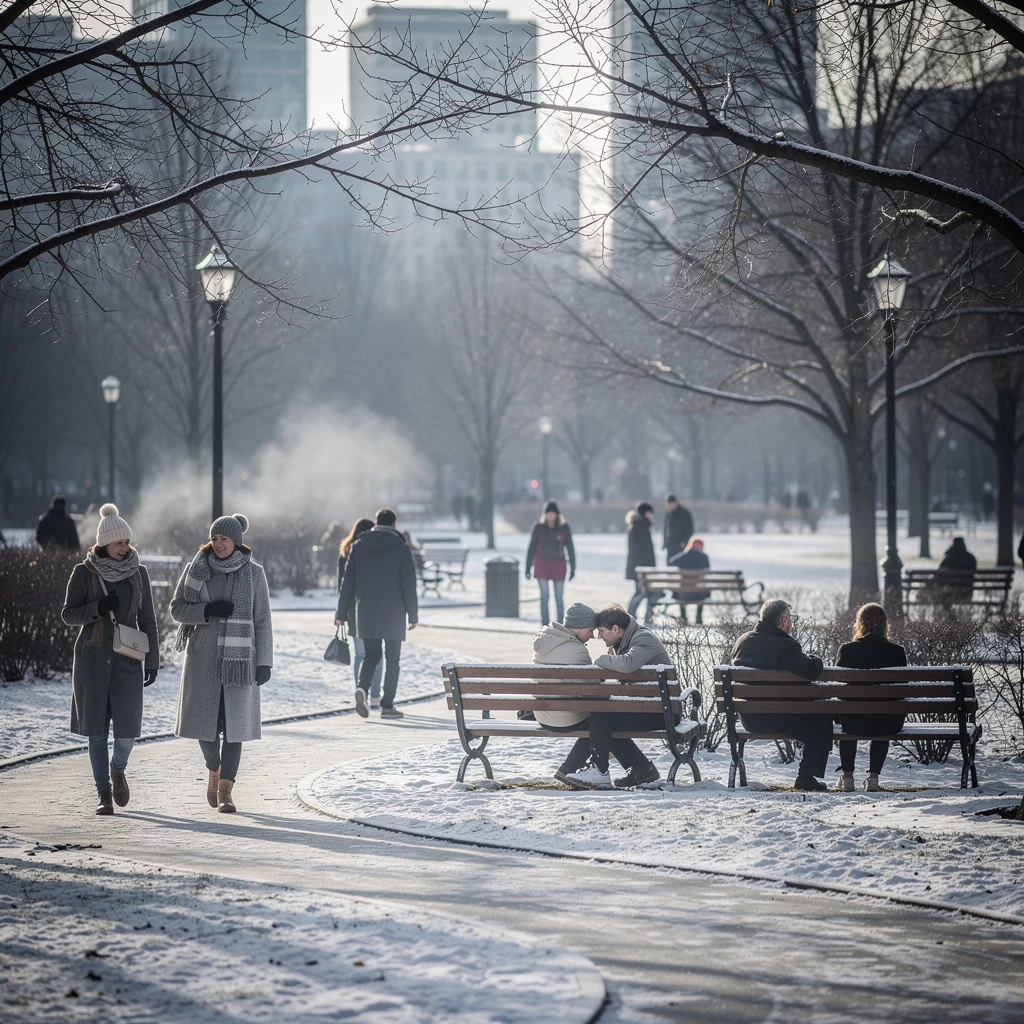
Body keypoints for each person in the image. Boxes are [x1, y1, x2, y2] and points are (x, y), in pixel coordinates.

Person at [171, 513, 273, 814]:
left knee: (234, 729)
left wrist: (264, 661)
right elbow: (177, 609)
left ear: (236, 541)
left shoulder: (254, 574)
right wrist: (207, 609)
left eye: (224, 538)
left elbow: (263, 621)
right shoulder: (196, 569)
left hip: (240, 663)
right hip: (202, 660)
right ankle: (213, 769)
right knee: (204, 728)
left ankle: (226, 792)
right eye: (214, 538)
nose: (218, 544)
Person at [61, 504, 159, 815]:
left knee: (127, 734)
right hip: (92, 661)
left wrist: (153, 660)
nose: (125, 548)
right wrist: (99, 608)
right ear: (105, 542)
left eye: (128, 542)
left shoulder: (138, 573)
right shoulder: (83, 573)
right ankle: (103, 792)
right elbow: (68, 615)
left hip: (128, 661)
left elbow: (149, 620)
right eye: (119, 543)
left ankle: (118, 769)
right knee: (96, 732)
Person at [564, 604, 671, 791]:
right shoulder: (621, 643)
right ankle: (642, 770)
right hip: (645, 708)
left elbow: (628, 664)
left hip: (660, 713)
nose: (599, 636)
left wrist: (600, 661)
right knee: (603, 716)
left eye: (601, 631)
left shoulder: (643, 638)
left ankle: (599, 771)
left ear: (615, 629)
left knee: (602, 716)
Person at [731, 598, 830, 792]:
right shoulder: (785, 646)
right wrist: (816, 659)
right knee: (822, 716)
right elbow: (810, 670)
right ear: (784, 621)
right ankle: (806, 777)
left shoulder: (742, 642)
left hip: (749, 718)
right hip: (777, 718)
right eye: (790, 619)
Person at [336, 508, 418, 720]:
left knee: (372, 655)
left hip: (366, 611)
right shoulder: (401, 547)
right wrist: (413, 615)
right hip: (394, 612)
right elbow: (409, 584)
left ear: (375, 523)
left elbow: (348, 583)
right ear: (393, 525)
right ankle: (387, 706)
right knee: (393, 659)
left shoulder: (359, 546)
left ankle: (362, 688)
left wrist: (341, 613)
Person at [835, 603, 907, 792]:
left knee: (848, 711)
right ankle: (873, 779)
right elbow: (902, 691)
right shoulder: (897, 652)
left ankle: (848, 779)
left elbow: (838, 688)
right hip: (888, 722)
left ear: (860, 624)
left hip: (853, 722)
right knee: (884, 710)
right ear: (885, 625)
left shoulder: (847, 650)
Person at [531, 602, 597, 783]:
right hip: (566, 718)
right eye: (591, 630)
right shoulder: (577, 651)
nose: (592, 635)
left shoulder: (545, 641)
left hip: (543, 715)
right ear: (579, 627)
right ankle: (571, 768)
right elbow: (592, 692)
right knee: (603, 721)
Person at [338, 518, 383, 708]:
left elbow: (342, 584)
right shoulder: (372, 551)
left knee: (360, 654)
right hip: (374, 608)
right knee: (376, 654)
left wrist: (341, 612)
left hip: (352, 609)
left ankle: (360, 690)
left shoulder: (346, 551)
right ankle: (374, 695)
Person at [525, 500, 576, 626]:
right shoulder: (538, 527)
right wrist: (527, 568)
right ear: (545, 514)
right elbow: (531, 547)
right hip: (542, 565)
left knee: (559, 597)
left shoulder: (564, 528)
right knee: (544, 596)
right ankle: (545, 625)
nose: (551, 515)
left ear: (557, 514)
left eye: (553, 513)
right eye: (548, 513)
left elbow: (570, 548)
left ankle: (559, 626)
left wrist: (573, 568)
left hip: (559, 565)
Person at [668, 538, 711, 624]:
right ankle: (698, 619)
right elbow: (708, 568)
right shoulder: (704, 557)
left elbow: (671, 562)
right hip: (699, 594)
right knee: (703, 589)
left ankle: (683, 618)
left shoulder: (683, 555)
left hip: (683, 594)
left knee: (680, 589)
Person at [625, 502, 657, 619]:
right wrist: (647, 568)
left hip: (639, 568)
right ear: (645, 513)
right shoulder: (640, 527)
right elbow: (642, 551)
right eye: (650, 513)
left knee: (643, 592)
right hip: (641, 568)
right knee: (642, 592)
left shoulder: (638, 526)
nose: (652, 515)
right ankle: (630, 614)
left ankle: (633, 614)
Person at [934, 536, 977, 605]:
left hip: (950, 593)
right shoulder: (971, 558)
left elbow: (938, 573)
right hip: (967, 593)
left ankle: (947, 613)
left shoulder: (949, 558)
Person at [662, 493, 694, 561]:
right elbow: (665, 529)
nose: (669, 507)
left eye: (670, 504)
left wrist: (684, 542)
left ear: (675, 503)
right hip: (670, 545)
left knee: (681, 566)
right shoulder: (668, 514)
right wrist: (664, 543)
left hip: (680, 546)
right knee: (669, 565)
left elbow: (690, 529)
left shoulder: (685, 513)